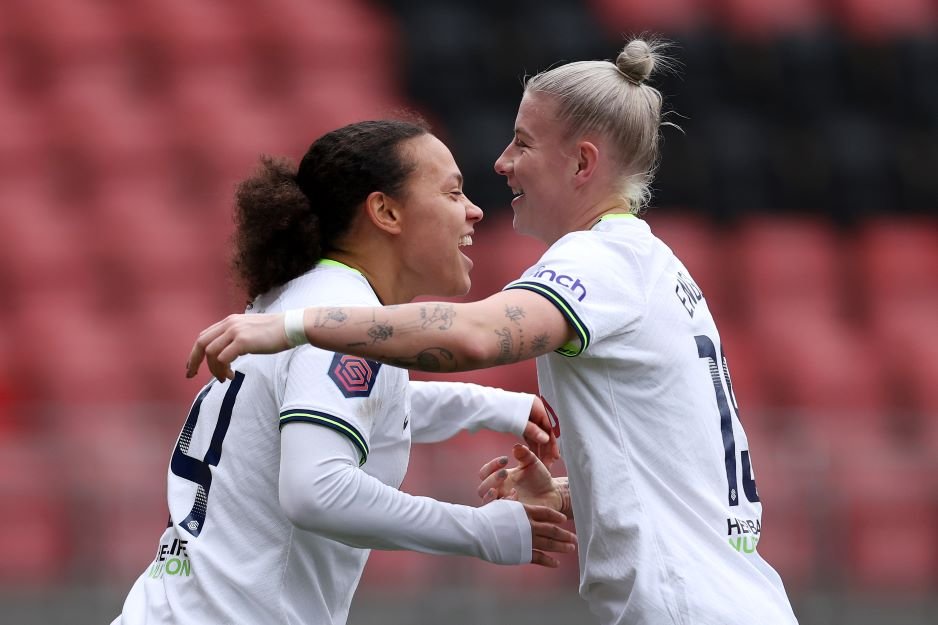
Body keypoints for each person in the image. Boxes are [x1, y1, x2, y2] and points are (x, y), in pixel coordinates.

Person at [187, 40, 799, 624]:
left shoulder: (599, 261)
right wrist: (570, 487)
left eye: (522, 143)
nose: (500, 164)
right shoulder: (656, 267)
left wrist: (296, 329)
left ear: (583, 162)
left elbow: (475, 335)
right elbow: (674, 469)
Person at [112, 119, 578, 625]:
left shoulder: (300, 302)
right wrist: (484, 531)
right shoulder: (339, 311)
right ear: (385, 211)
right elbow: (317, 491)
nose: (473, 210)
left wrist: (494, 406)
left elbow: (359, 405)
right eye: (452, 192)